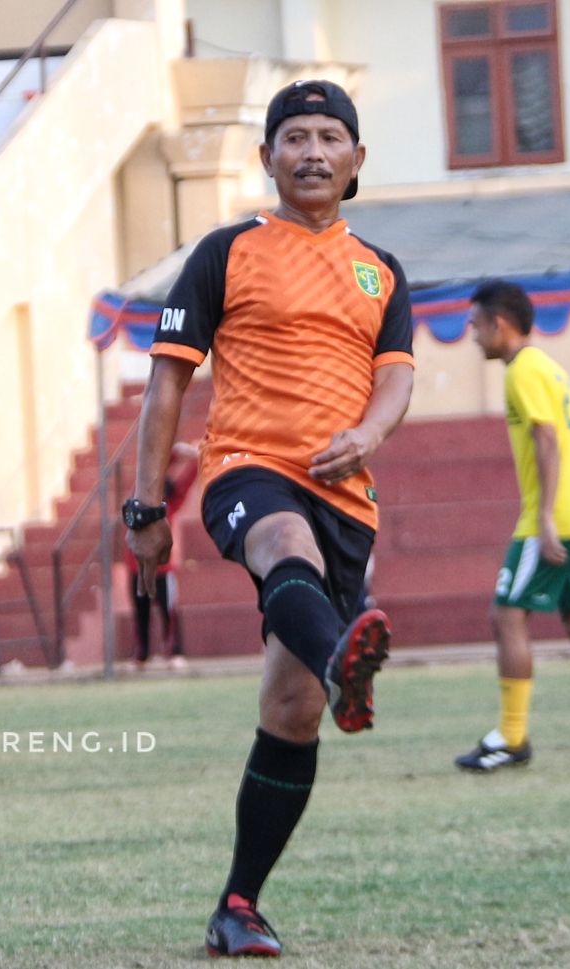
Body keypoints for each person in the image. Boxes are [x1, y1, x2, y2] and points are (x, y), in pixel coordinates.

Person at [123, 79, 415, 957]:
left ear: (357, 161)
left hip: (347, 501)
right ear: (267, 158)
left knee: (291, 714)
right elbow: (167, 381)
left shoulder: (383, 271)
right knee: (281, 540)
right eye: (294, 137)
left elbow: (397, 376)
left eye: (331, 136)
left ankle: (238, 904)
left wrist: (366, 431)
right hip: (248, 472)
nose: (313, 151)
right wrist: (144, 508)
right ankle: (341, 654)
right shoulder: (223, 252)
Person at [454, 280, 570, 772]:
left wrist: (546, 517)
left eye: (475, 324)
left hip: (554, 518)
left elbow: (546, 438)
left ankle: (511, 737)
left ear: (498, 324)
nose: (472, 334)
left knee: (507, 614)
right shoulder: (551, 367)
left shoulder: (522, 370)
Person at [122, 441, 198, 671]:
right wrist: (173, 455)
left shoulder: (172, 501)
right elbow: (156, 466)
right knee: (141, 611)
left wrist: (193, 457)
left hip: (163, 569)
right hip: (136, 567)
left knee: (169, 611)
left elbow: (186, 481)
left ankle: (174, 652)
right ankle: (141, 654)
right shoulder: (138, 497)